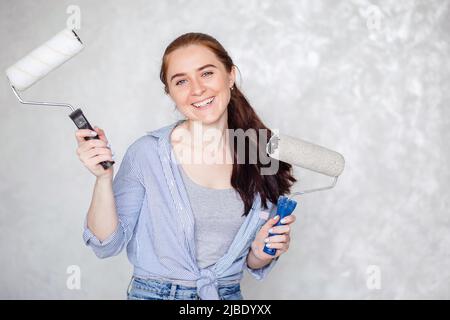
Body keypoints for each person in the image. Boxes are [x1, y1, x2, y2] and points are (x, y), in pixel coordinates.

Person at [75, 32, 297, 300]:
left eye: (206, 73)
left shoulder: (259, 154)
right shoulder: (147, 154)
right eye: (181, 81)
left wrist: (260, 254)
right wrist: (102, 179)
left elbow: (251, 261)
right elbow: (106, 245)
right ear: (170, 93)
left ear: (230, 75)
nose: (197, 89)